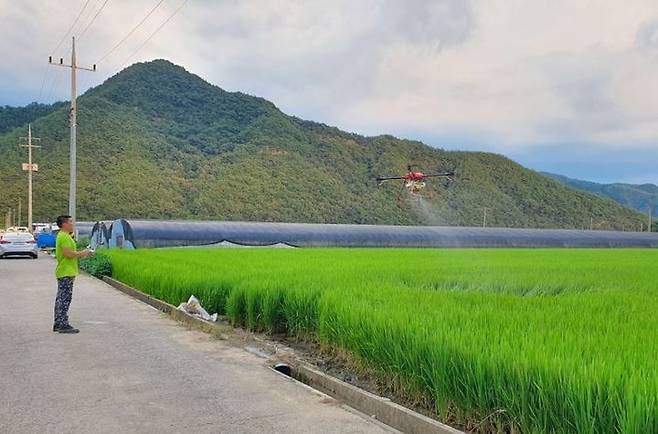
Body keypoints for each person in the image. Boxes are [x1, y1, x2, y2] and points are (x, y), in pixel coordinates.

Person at [53, 215, 94, 334]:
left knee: (61, 298)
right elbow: (68, 254)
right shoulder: (64, 237)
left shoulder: (65, 236)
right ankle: (63, 324)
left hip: (66, 271)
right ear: (64, 224)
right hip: (66, 271)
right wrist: (84, 253)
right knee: (65, 299)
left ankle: (58, 322)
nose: (72, 225)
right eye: (70, 222)